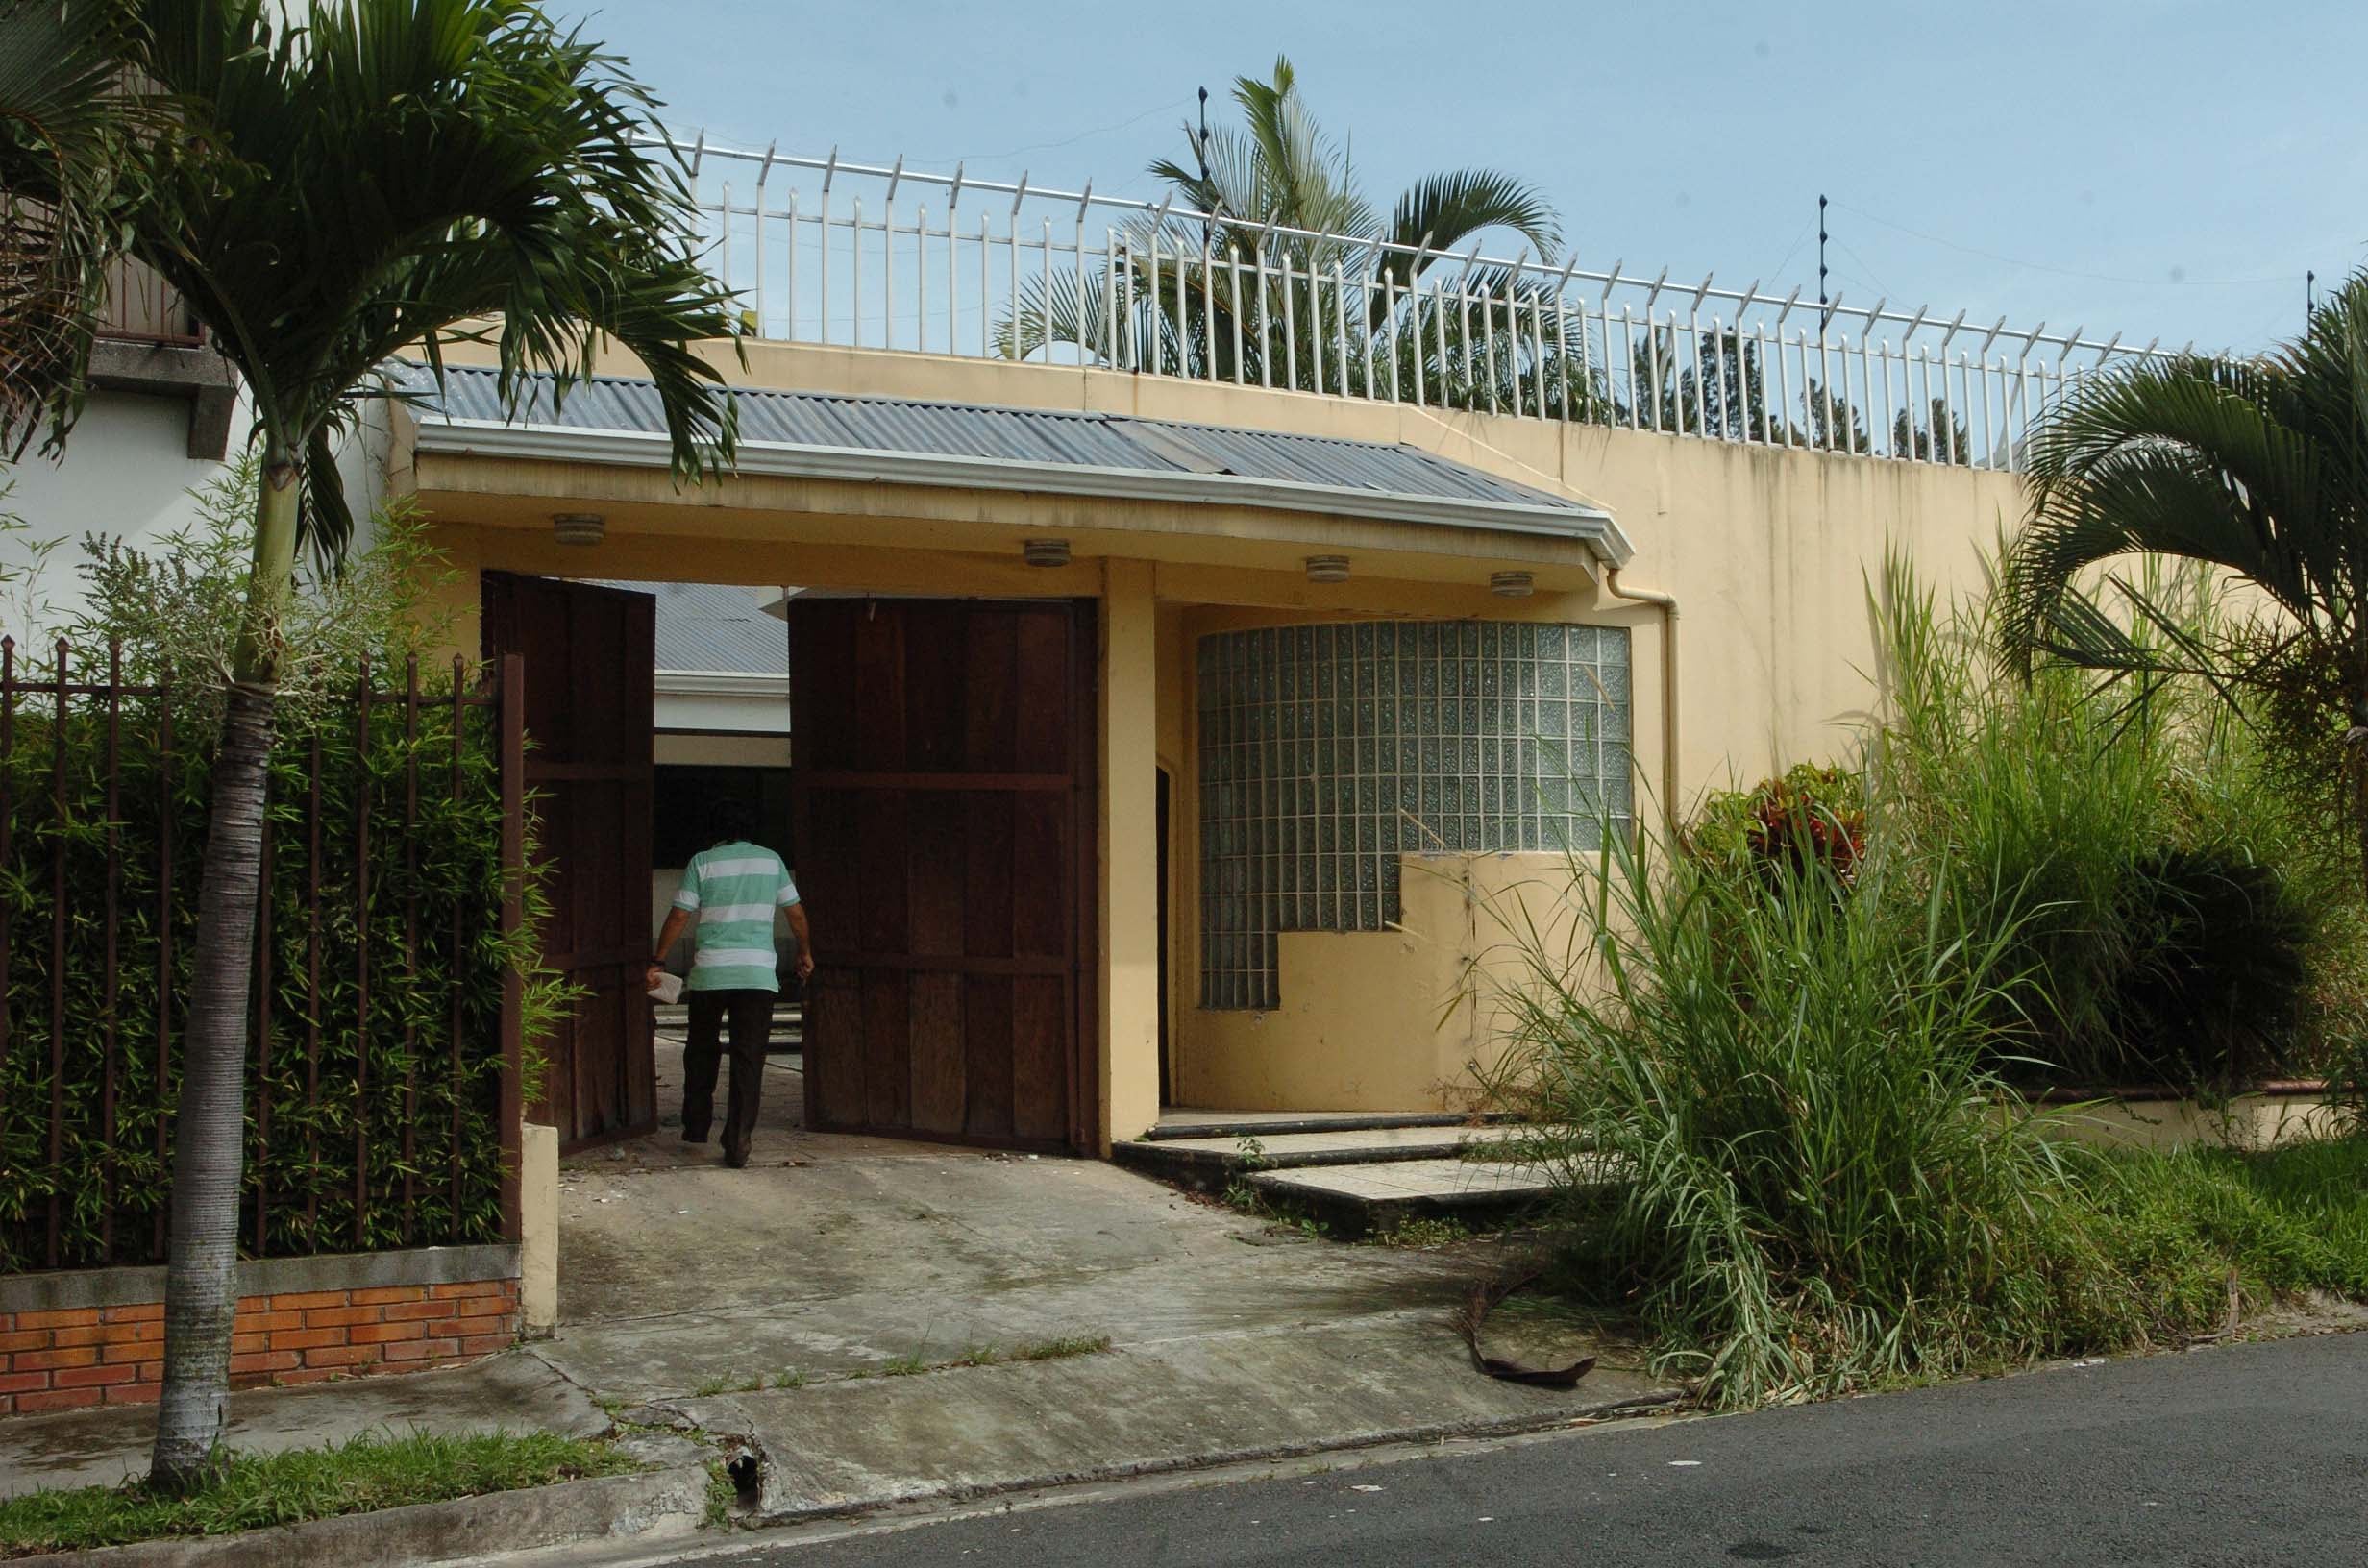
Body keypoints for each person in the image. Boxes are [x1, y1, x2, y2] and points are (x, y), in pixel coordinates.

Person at [647, 802, 813, 1167]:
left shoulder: (702, 861)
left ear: (718, 832)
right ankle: (738, 1139)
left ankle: (696, 1124)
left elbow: (679, 914)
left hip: (711, 975)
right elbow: (796, 912)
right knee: (748, 1058)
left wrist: (659, 959)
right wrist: (804, 952)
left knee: (701, 1050)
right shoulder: (772, 861)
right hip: (757, 976)